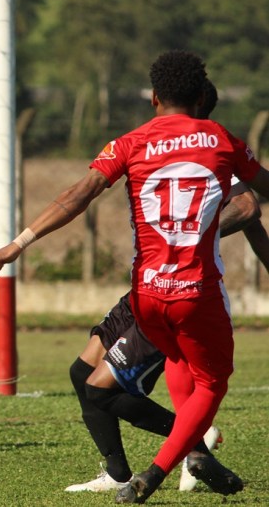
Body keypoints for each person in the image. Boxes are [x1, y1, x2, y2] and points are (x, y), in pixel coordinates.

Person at [0, 50, 269, 504]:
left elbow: (77, 196)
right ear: (200, 96)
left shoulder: (130, 143)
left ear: (154, 97)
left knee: (167, 359)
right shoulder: (220, 140)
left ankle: (182, 453)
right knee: (212, 381)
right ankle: (158, 470)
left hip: (147, 296)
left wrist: (18, 244)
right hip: (195, 293)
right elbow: (261, 194)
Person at [66, 80, 269, 494]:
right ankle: (138, 465)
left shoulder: (210, 149)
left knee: (99, 388)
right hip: (146, 284)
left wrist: (197, 236)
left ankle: (191, 442)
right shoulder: (166, 145)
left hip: (183, 287)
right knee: (81, 372)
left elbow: (248, 206)